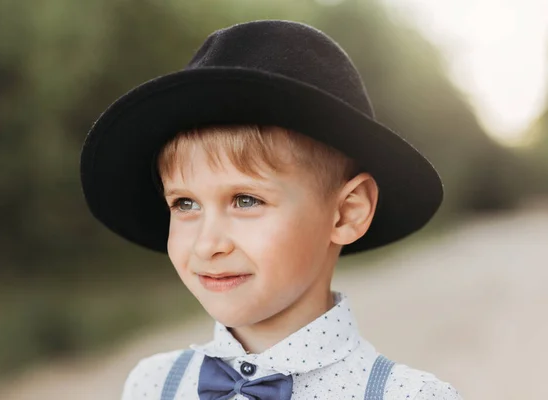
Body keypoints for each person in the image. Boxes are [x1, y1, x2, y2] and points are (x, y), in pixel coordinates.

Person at [80, 20, 461, 400]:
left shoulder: (407, 396)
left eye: (246, 200)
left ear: (347, 213)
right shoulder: (153, 385)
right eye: (185, 203)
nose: (206, 245)